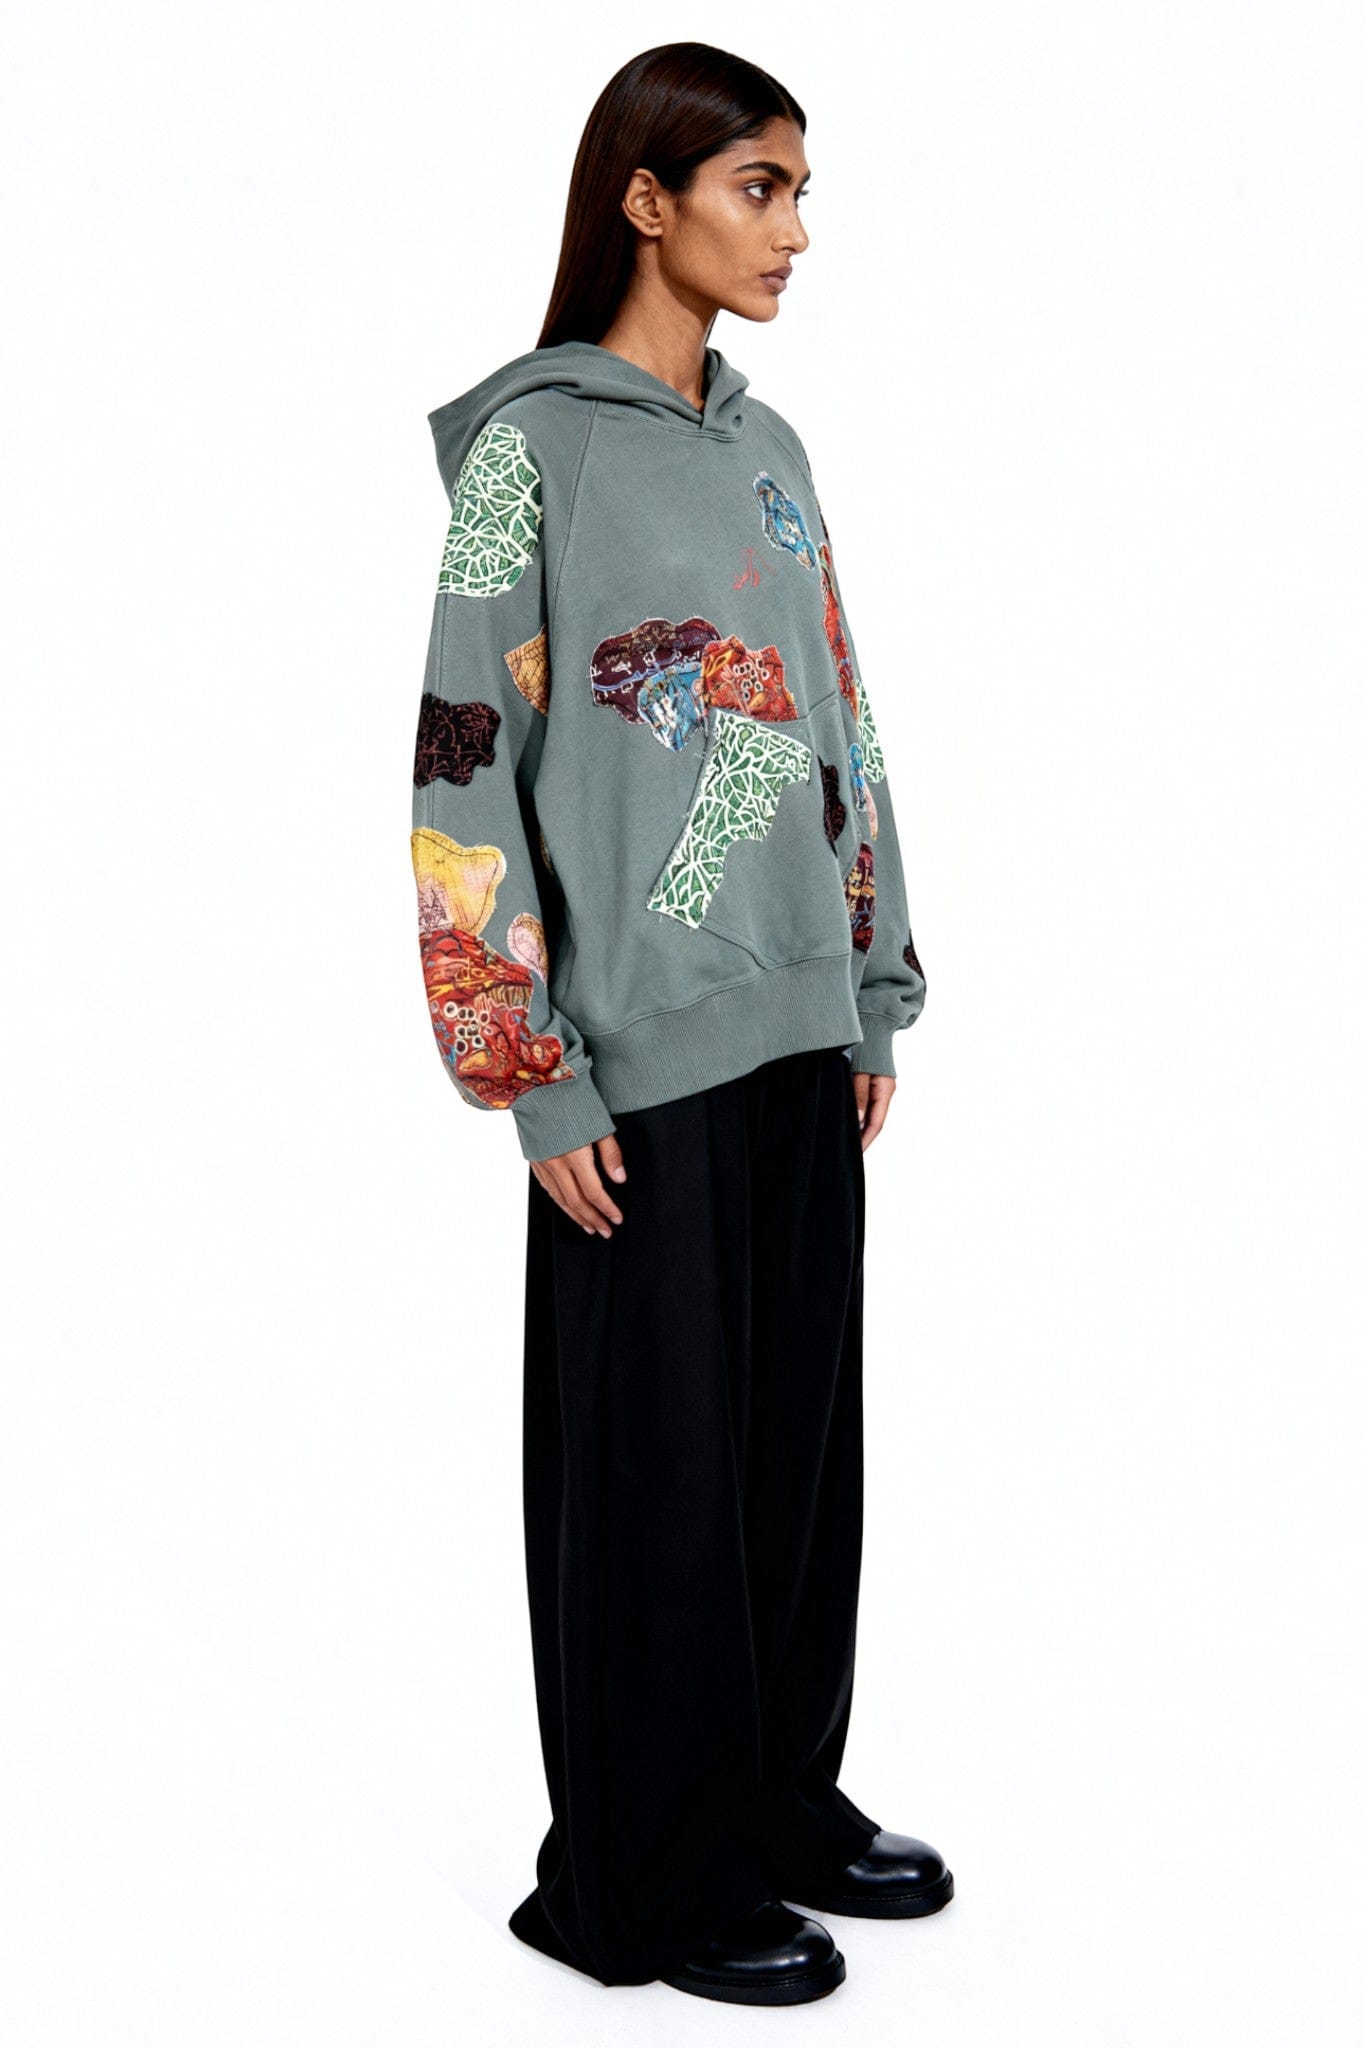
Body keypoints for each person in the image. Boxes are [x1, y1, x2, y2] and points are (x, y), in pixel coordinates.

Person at [409, 41, 951, 2005]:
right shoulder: (527, 453)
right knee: (658, 1473)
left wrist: (873, 976)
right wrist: (524, 1066)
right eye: (758, 188)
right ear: (646, 200)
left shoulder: (768, 445)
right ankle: (641, 1874)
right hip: (628, 1052)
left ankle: (772, 1802)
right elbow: (462, 760)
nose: (792, 232)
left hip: (799, 1026)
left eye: (799, 192)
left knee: (793, 1456)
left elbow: (835, 709)